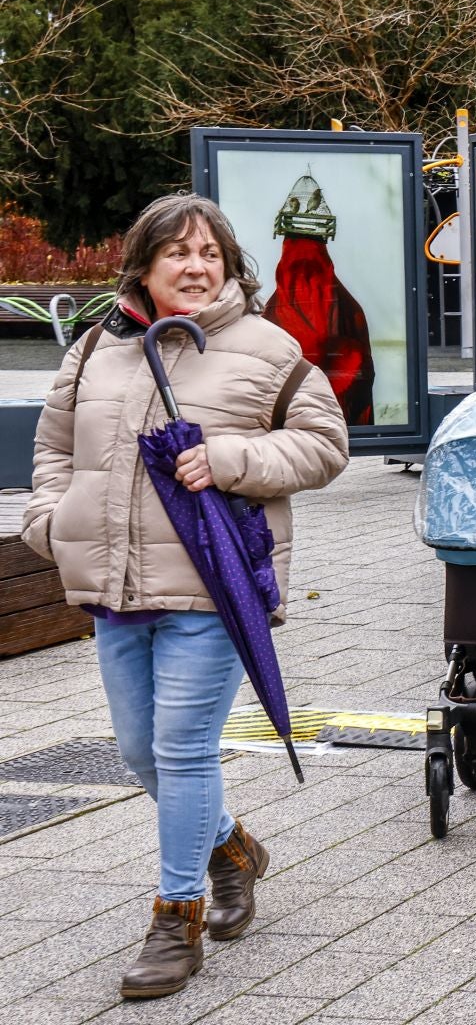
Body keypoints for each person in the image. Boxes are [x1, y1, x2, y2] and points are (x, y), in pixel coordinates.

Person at [23, 193, 350, 1000]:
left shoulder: (269, 349)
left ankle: (178, 918)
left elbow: (325, 444)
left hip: (213, 589)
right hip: (113, 589)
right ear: (144, 266)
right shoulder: (99, 345)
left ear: (230, 264)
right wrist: (50, 520)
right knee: (138, 752)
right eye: (178, 253)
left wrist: (231, 458)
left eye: (210, 253)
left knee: (181, 749)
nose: (196, 267)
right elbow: (53, 445)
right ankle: (233, 849)